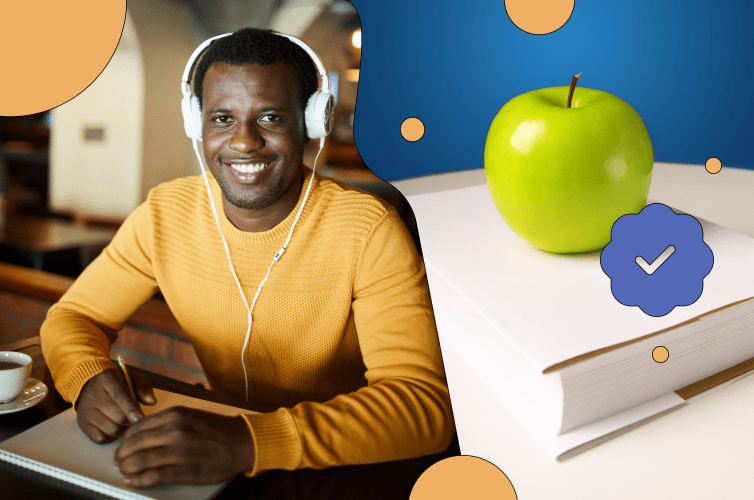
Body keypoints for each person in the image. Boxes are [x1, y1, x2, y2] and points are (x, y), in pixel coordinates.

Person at [39, 27, 454, 488]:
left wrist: (247, 441)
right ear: (197, 124)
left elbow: (422, 405)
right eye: (221, 119)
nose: (242, 142)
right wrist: (86, 378)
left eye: (271, 117)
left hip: (341, 468)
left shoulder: (368, 229)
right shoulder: (164, 213)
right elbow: (74, 316)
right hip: (220, 447)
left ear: (311, 123)